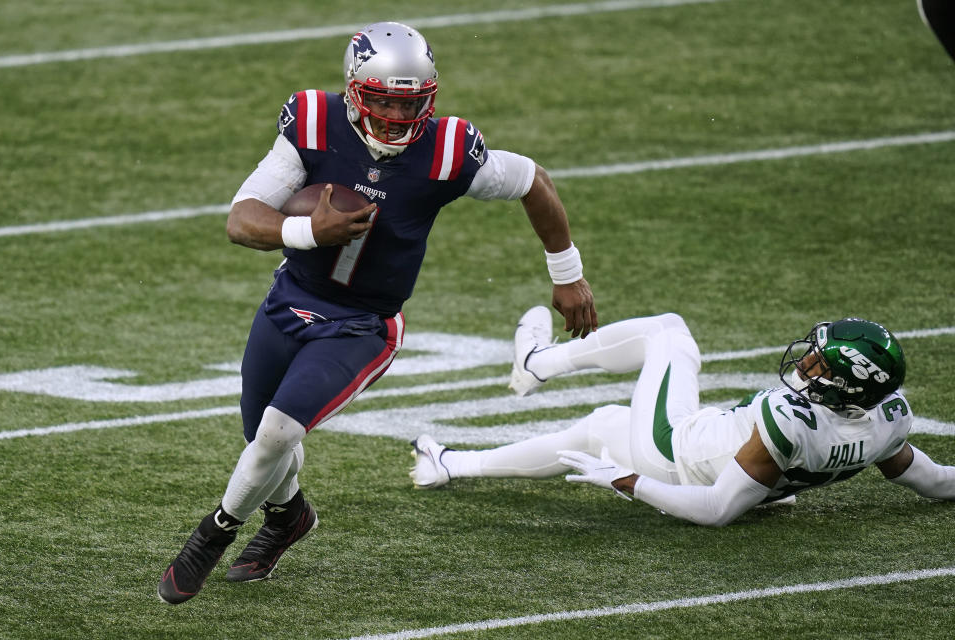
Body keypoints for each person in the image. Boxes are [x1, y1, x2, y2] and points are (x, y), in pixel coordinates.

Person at [158, 22, 597, 605]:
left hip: (365, 324)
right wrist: (310, 231)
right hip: (290, 300)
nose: (395, 113)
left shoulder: (446, 149)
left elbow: (532, 181)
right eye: (383, 98)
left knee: (276, 433)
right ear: (353, 90)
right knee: (259, 444)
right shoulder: (315, 123)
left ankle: (212, 535)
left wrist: (567, 274)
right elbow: (242, 220)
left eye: (409, 101)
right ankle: (289, 518)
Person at [410, 307, 955, 526]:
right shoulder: (885, 420)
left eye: (820, 361)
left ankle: (537, 363)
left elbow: (717, 510)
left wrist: (628, 481)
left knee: (667, 331)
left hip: (682, 454)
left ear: (845, 383)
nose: (807, 361)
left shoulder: (792, 421)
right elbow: (933, 482)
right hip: (747, 475)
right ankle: (451, 465)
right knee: (601, 425)